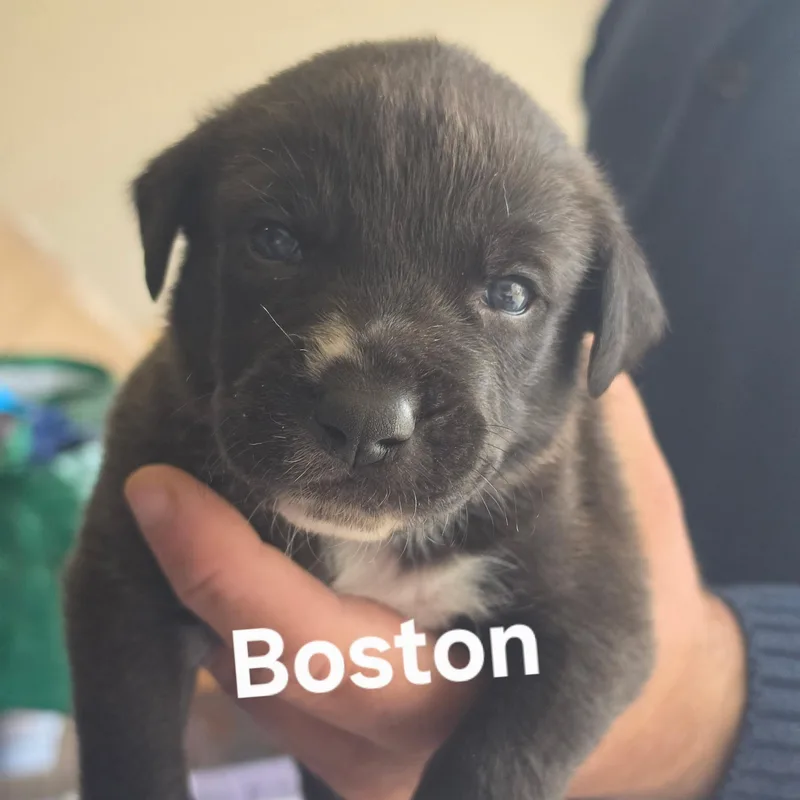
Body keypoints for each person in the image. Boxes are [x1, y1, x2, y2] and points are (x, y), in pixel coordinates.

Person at [123, 1, 800, 797]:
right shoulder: (172, 427)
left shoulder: (545, 519)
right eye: (276, 240)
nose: (372, 411)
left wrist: (699, 728)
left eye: (511, 292)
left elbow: (598, 645)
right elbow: (118, 594)